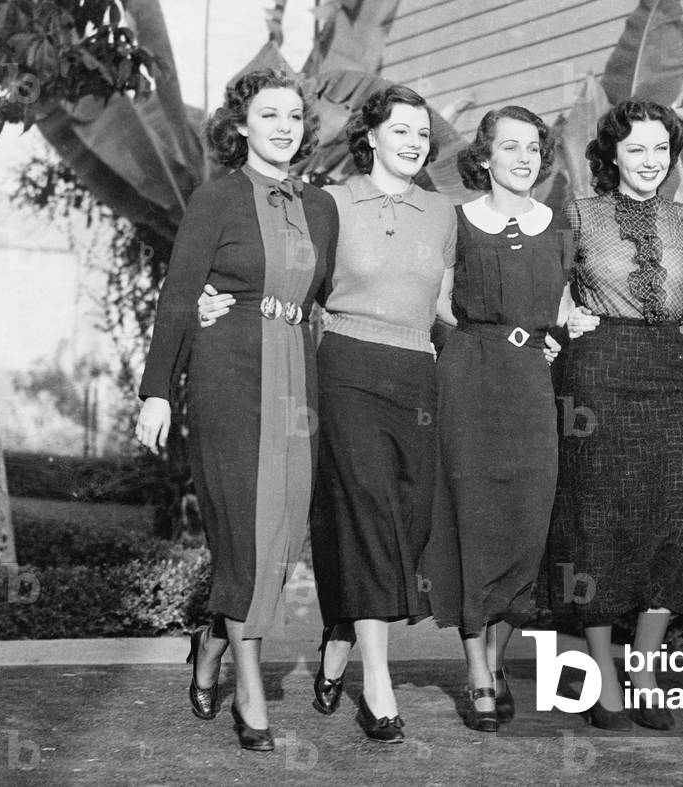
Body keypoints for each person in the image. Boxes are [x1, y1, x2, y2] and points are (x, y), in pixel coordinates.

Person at [199, 84, 456, 744]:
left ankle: (336, 630)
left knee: (403, 518)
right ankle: (377, 687)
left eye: (422, 132)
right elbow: (284, 273)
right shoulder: (330, 204)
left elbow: (452, 304)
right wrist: (215, 295)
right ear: (369, 136)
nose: (413, 141)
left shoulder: (442, 211)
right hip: (344, 367)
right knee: (368, 511)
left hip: (416, 374)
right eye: (400, 130)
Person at [135, 70, 337, 752]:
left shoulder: (322, 209)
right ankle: (249, 689)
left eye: (292, 116)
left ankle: (212, 643)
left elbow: (323, 296)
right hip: (229, 372)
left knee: (281, 534)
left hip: (296, 377)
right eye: (268, 115)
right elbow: (178, 293)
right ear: (241, 127)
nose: (283, 126)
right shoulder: (216, 198)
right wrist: (158, 388)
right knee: (245, 528)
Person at [541, 98, 683, 732]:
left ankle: (645, 667)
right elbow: (541, 286)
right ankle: (603, 672)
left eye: (661, 149)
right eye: (637, 149)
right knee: (598, 518)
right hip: (597, 370)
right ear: (611, 155)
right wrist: (560, 319)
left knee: (669, 514)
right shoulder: (578, 214)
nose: (651, 161)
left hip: (666, 369)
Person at [422, 106, 573, 732]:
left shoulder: (559, 227)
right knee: (474, 516)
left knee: (527, 519)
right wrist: (487, 338)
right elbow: (437, 300)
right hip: (471, 375)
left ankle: (497, 654)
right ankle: (476, 668)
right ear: (484, 157)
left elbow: (565, 303)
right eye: (510, 147)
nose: (524, 158)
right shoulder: (458, 223)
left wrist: (551, 336)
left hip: (532, 384)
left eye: (533, 148)